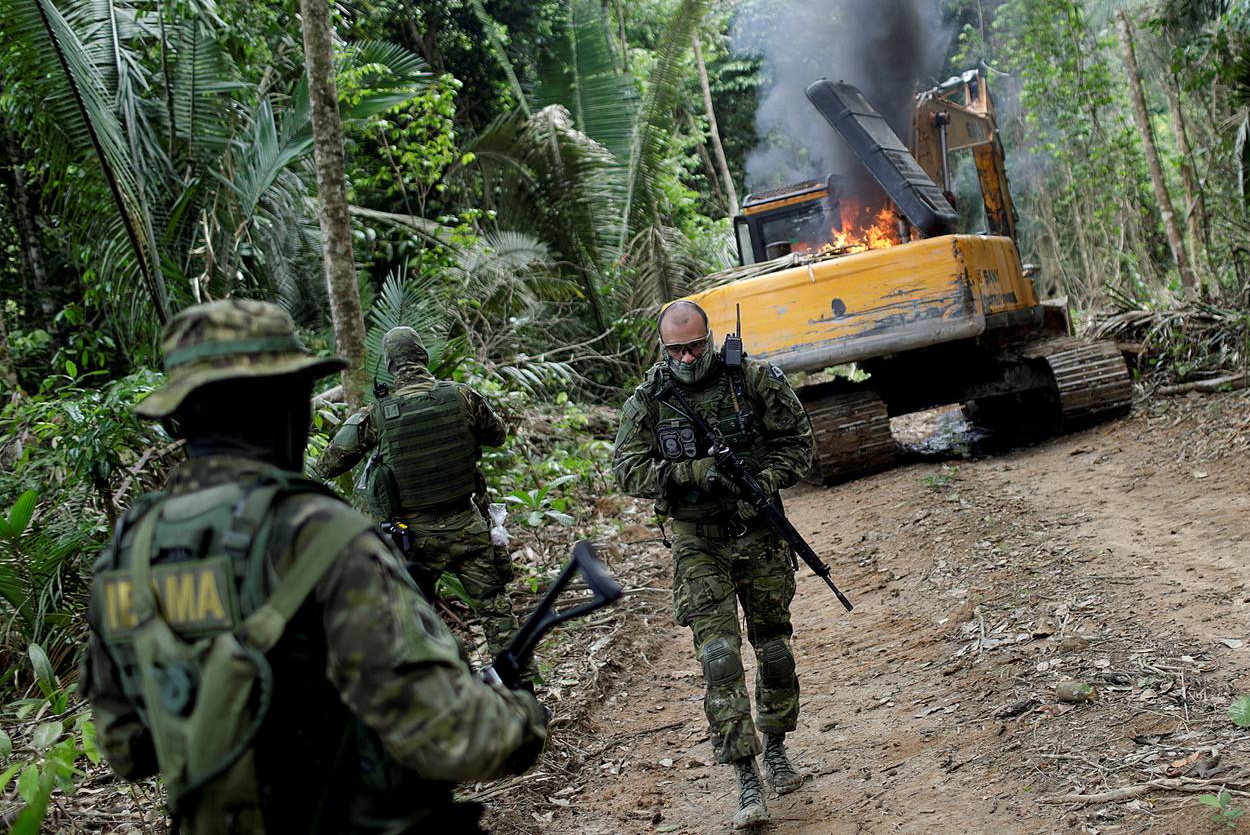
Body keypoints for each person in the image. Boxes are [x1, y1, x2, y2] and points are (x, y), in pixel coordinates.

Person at [79, 300, 546, 833]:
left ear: (177, 422)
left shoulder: (129, 551)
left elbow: (127, 749)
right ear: (292, 406)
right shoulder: (318, 536)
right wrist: (522, 720)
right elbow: (452, 738)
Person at [612, 300, 816, 830]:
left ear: (711, 336)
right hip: (697, 542)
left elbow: (799, 445)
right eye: (674, 348)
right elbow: (628, 471)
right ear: (662, 346)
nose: (685, 356)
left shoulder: (753, 379)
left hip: (759, 535)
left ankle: (776, 749)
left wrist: (762, 485)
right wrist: (690, 472)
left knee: (773, 650)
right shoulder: (650, 400)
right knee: (720, 659)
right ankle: (746, 778)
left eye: (694, 345)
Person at [314, 326, 524, 672]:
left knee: (412, 624)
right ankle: (523, 691)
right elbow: (497, 435)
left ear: (390, 364)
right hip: (467, 524)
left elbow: (327, 465)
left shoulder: (377, 414)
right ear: (423, 356)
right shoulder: (462, 396)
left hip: (414, 538)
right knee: (495, 610)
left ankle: (439, 696)